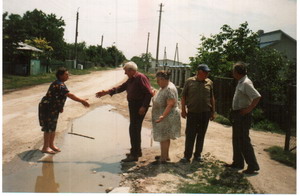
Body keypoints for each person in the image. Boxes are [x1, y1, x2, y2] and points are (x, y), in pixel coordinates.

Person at [95, 61, 153, 162]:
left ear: (131, 70)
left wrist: (144, 106)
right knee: (134, 128)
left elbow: (148, 93)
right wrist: (107, 92)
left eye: (125, 71)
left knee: (134, 129)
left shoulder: (140, 77)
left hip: (139, 106)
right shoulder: (131, 79)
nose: (125, 73)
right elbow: (121, 88)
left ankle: (134, 154)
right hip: (134, 105)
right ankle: (136, 151)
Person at [39, 67, 89, 154]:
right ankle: (45, 147)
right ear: (60, 75)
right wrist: (81, 101)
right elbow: (70, 95)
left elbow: (59, 97)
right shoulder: (59, 84)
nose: (68, 76)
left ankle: (51, 145)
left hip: (53, 108)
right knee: (48, 127)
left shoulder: (61, 83)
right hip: (47, 107)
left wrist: (60, 107)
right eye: (66, 74)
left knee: (53, 127)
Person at [225, 61, 261, 174]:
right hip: (237, 114)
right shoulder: (241, 82)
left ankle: (253, 165)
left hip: (243, 115)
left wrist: (248, 109)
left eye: (233, 71)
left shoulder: (246, 83)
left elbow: (257, 96)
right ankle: (237, 162)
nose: (232, 73)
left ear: (238, 72)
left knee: (244, 140)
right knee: (236, 139)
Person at [180, 64, 215, 163]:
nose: (207, 74)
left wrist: (213, 112)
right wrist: (183, 110)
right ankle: (187, 156)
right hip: (192, 112)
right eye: (205, 72)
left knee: (201, 135)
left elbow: (212, 98)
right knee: (190, 135)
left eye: (208, 72)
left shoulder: (209, 82)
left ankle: (198, 155)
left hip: (205, 113)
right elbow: (183, 97)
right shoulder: (189, 81)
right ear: (199, 72)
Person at [151, 71, 181, 164]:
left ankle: (163, 158)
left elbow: (170, 104)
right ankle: (165, 155)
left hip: (167, 116)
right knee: (163, 137)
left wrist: (163, 116)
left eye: (158, 80)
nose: (157, 82)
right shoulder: (164, 86)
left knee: (164, 137)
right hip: (164, 115)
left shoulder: (169, 89)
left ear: (163, 79)